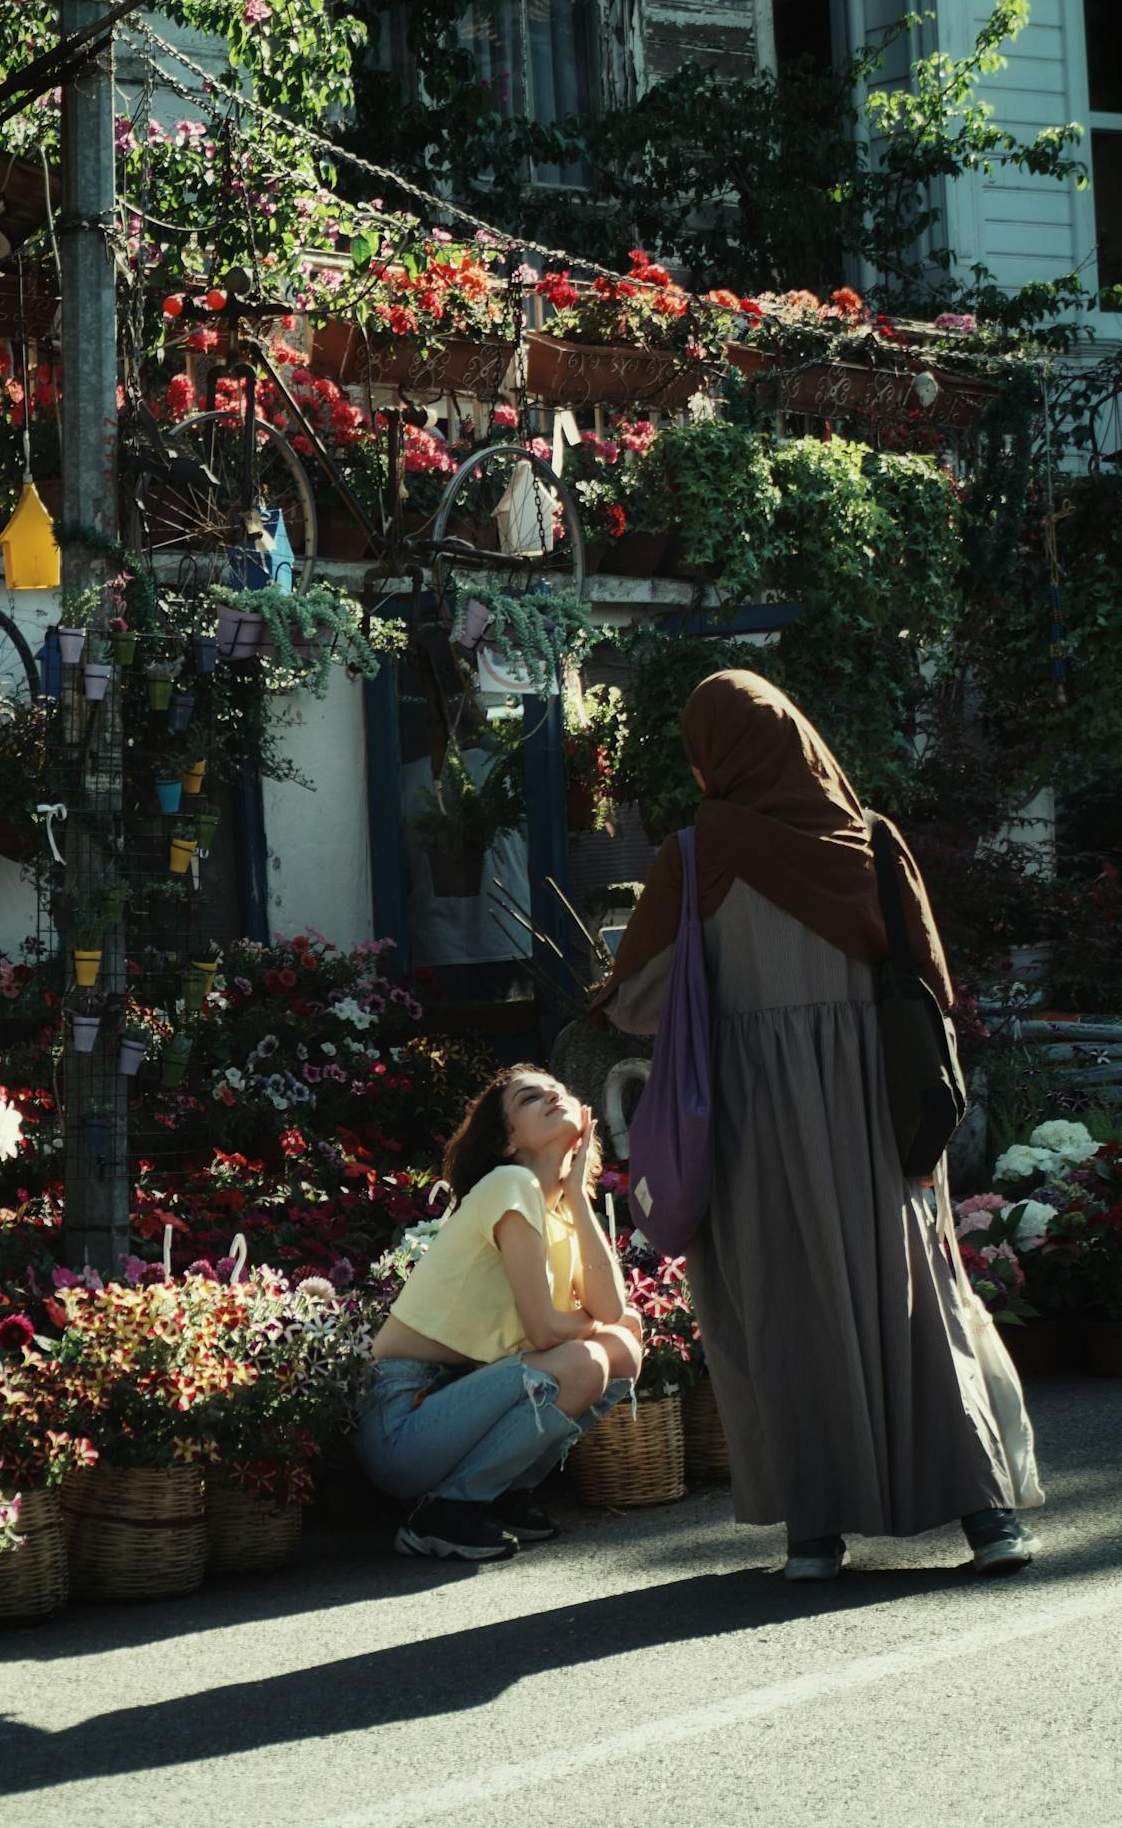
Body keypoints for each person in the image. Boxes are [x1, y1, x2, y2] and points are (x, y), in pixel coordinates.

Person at [596, 669, 1044, 1582]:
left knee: (785, 1304)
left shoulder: (697, 852)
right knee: (916, 1296)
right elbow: (929, 978)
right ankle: (986, 1515)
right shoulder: (872, 840)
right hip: (881, 1108)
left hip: (759, 1117)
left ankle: (816, 1534)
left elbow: (638, 1000)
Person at [357, 1069, 645, 1561]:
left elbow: (616, 1314)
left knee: (621, 1346)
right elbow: (546, 1330)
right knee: (583, 1360)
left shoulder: (555, 1207)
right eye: (532, 1097)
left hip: (458, 1406)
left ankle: (498, 1492)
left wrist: (576, 1194)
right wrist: (590, 1326)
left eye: (560, 1090)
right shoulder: (509, 1184)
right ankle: (444, 1511)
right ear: (507, 1141)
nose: (554, 1096)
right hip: (406, 1422)